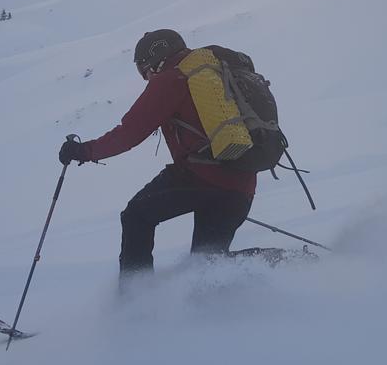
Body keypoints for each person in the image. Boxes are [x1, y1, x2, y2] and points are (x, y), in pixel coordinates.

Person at [58, 29, 255, 282]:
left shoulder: (172, 79)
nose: (148, 79)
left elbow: (130, 133)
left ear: (154, 62)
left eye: (145, 73)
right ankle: (278, 262)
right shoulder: (214, 73)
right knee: (206, 269)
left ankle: (136, 302)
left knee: (136, 216)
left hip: (200, 178)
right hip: (240, 185)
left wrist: (83, 151)